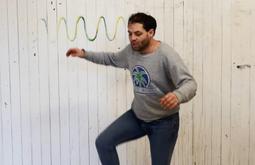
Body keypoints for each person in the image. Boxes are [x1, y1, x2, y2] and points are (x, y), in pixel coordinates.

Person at [66, 12, 197, 165]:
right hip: (137, 116)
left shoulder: (166, 55)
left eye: (138, 33)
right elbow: (111, 59)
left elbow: (190, 83)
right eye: (129, 33)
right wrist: (84, 54)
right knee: (103, 143)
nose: (132, 38)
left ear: (151, 32)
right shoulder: (131, 51)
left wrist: (177, 95)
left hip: (164, 122)